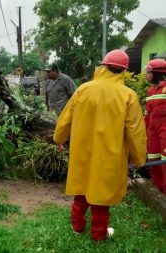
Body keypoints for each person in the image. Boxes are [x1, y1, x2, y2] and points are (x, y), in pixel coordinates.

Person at [53, 49, 147, 241]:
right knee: (101, 196)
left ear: (102, 66)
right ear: (123, 71)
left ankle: (77, 227)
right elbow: (135, 131)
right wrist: (139, 157)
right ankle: (98, 234)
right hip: (109, 155)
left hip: (82, 152)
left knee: (81, 191)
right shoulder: (128, 95)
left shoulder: (83, 89)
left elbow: (64, 120)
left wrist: (59, 139)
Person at [144, 58, 166, 193]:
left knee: (164, 162)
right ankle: (159, 189)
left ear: (157, 73)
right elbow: (147, 113)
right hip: (152, 133)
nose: (146, 75)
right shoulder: (150, 91)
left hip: (165, 132)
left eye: (148, 72)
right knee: (153, 160)